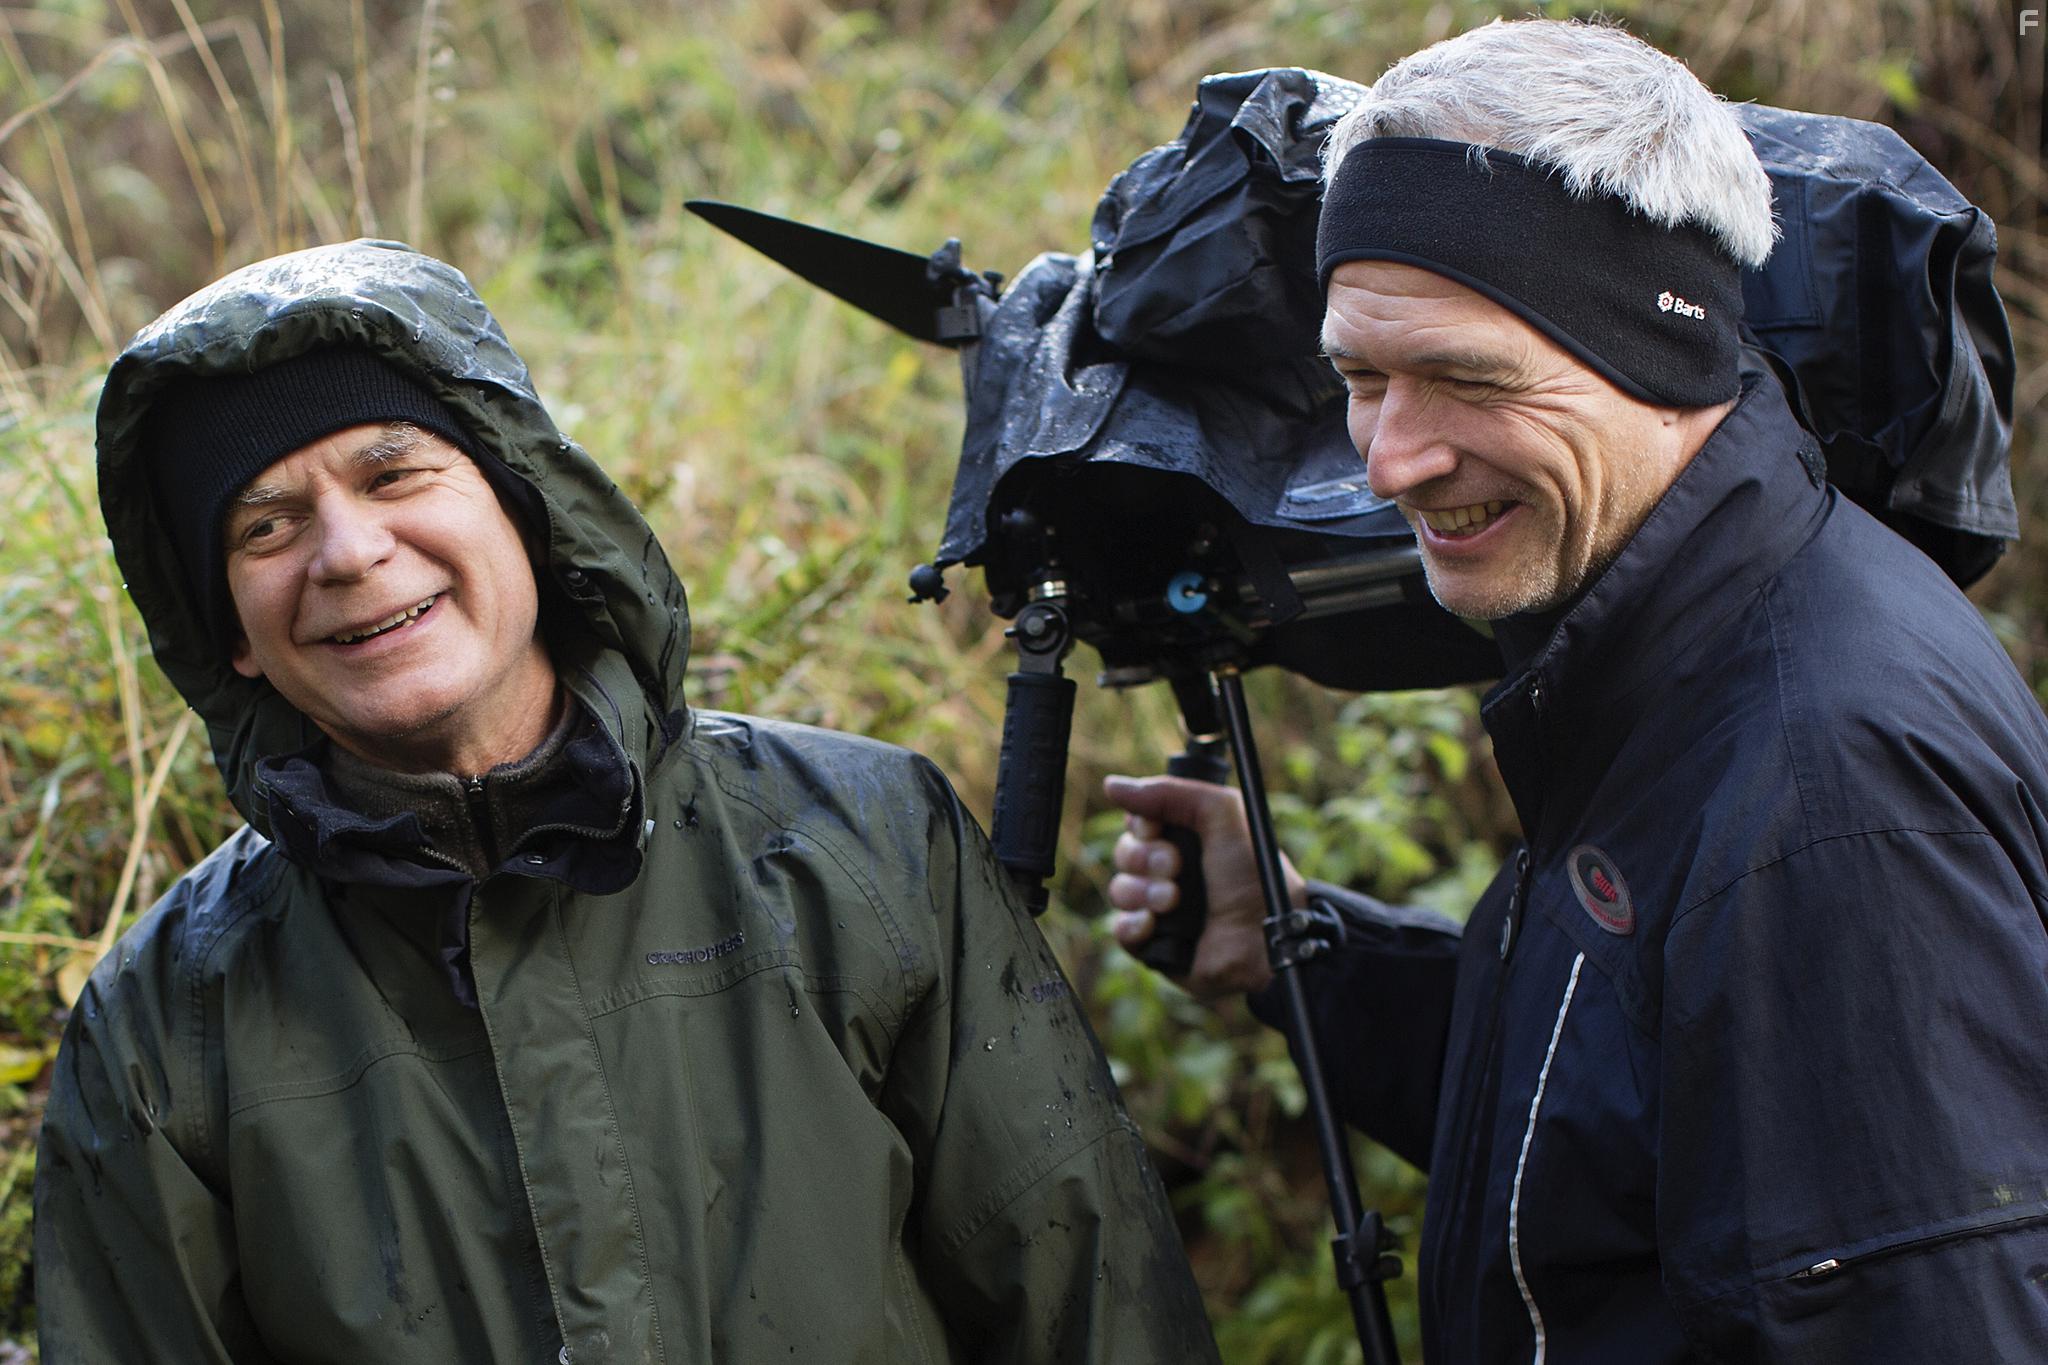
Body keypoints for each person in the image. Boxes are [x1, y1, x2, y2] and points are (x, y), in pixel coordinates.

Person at [35, 239, 1222, 1365]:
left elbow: (1089, 1300)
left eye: (394, 471)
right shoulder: (162, 1030)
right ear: (228, 635)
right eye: (264, 527)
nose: (346, 552)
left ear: (522, 507)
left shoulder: (863, 844)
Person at [1105, 19, 2048, 1362]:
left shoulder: (1825, 787)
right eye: (1361, 378)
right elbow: (1628, 1137)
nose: (1389, 462)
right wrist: (1310, 954)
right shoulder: (1655, 653)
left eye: (1466, 379)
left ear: (1660, 355)